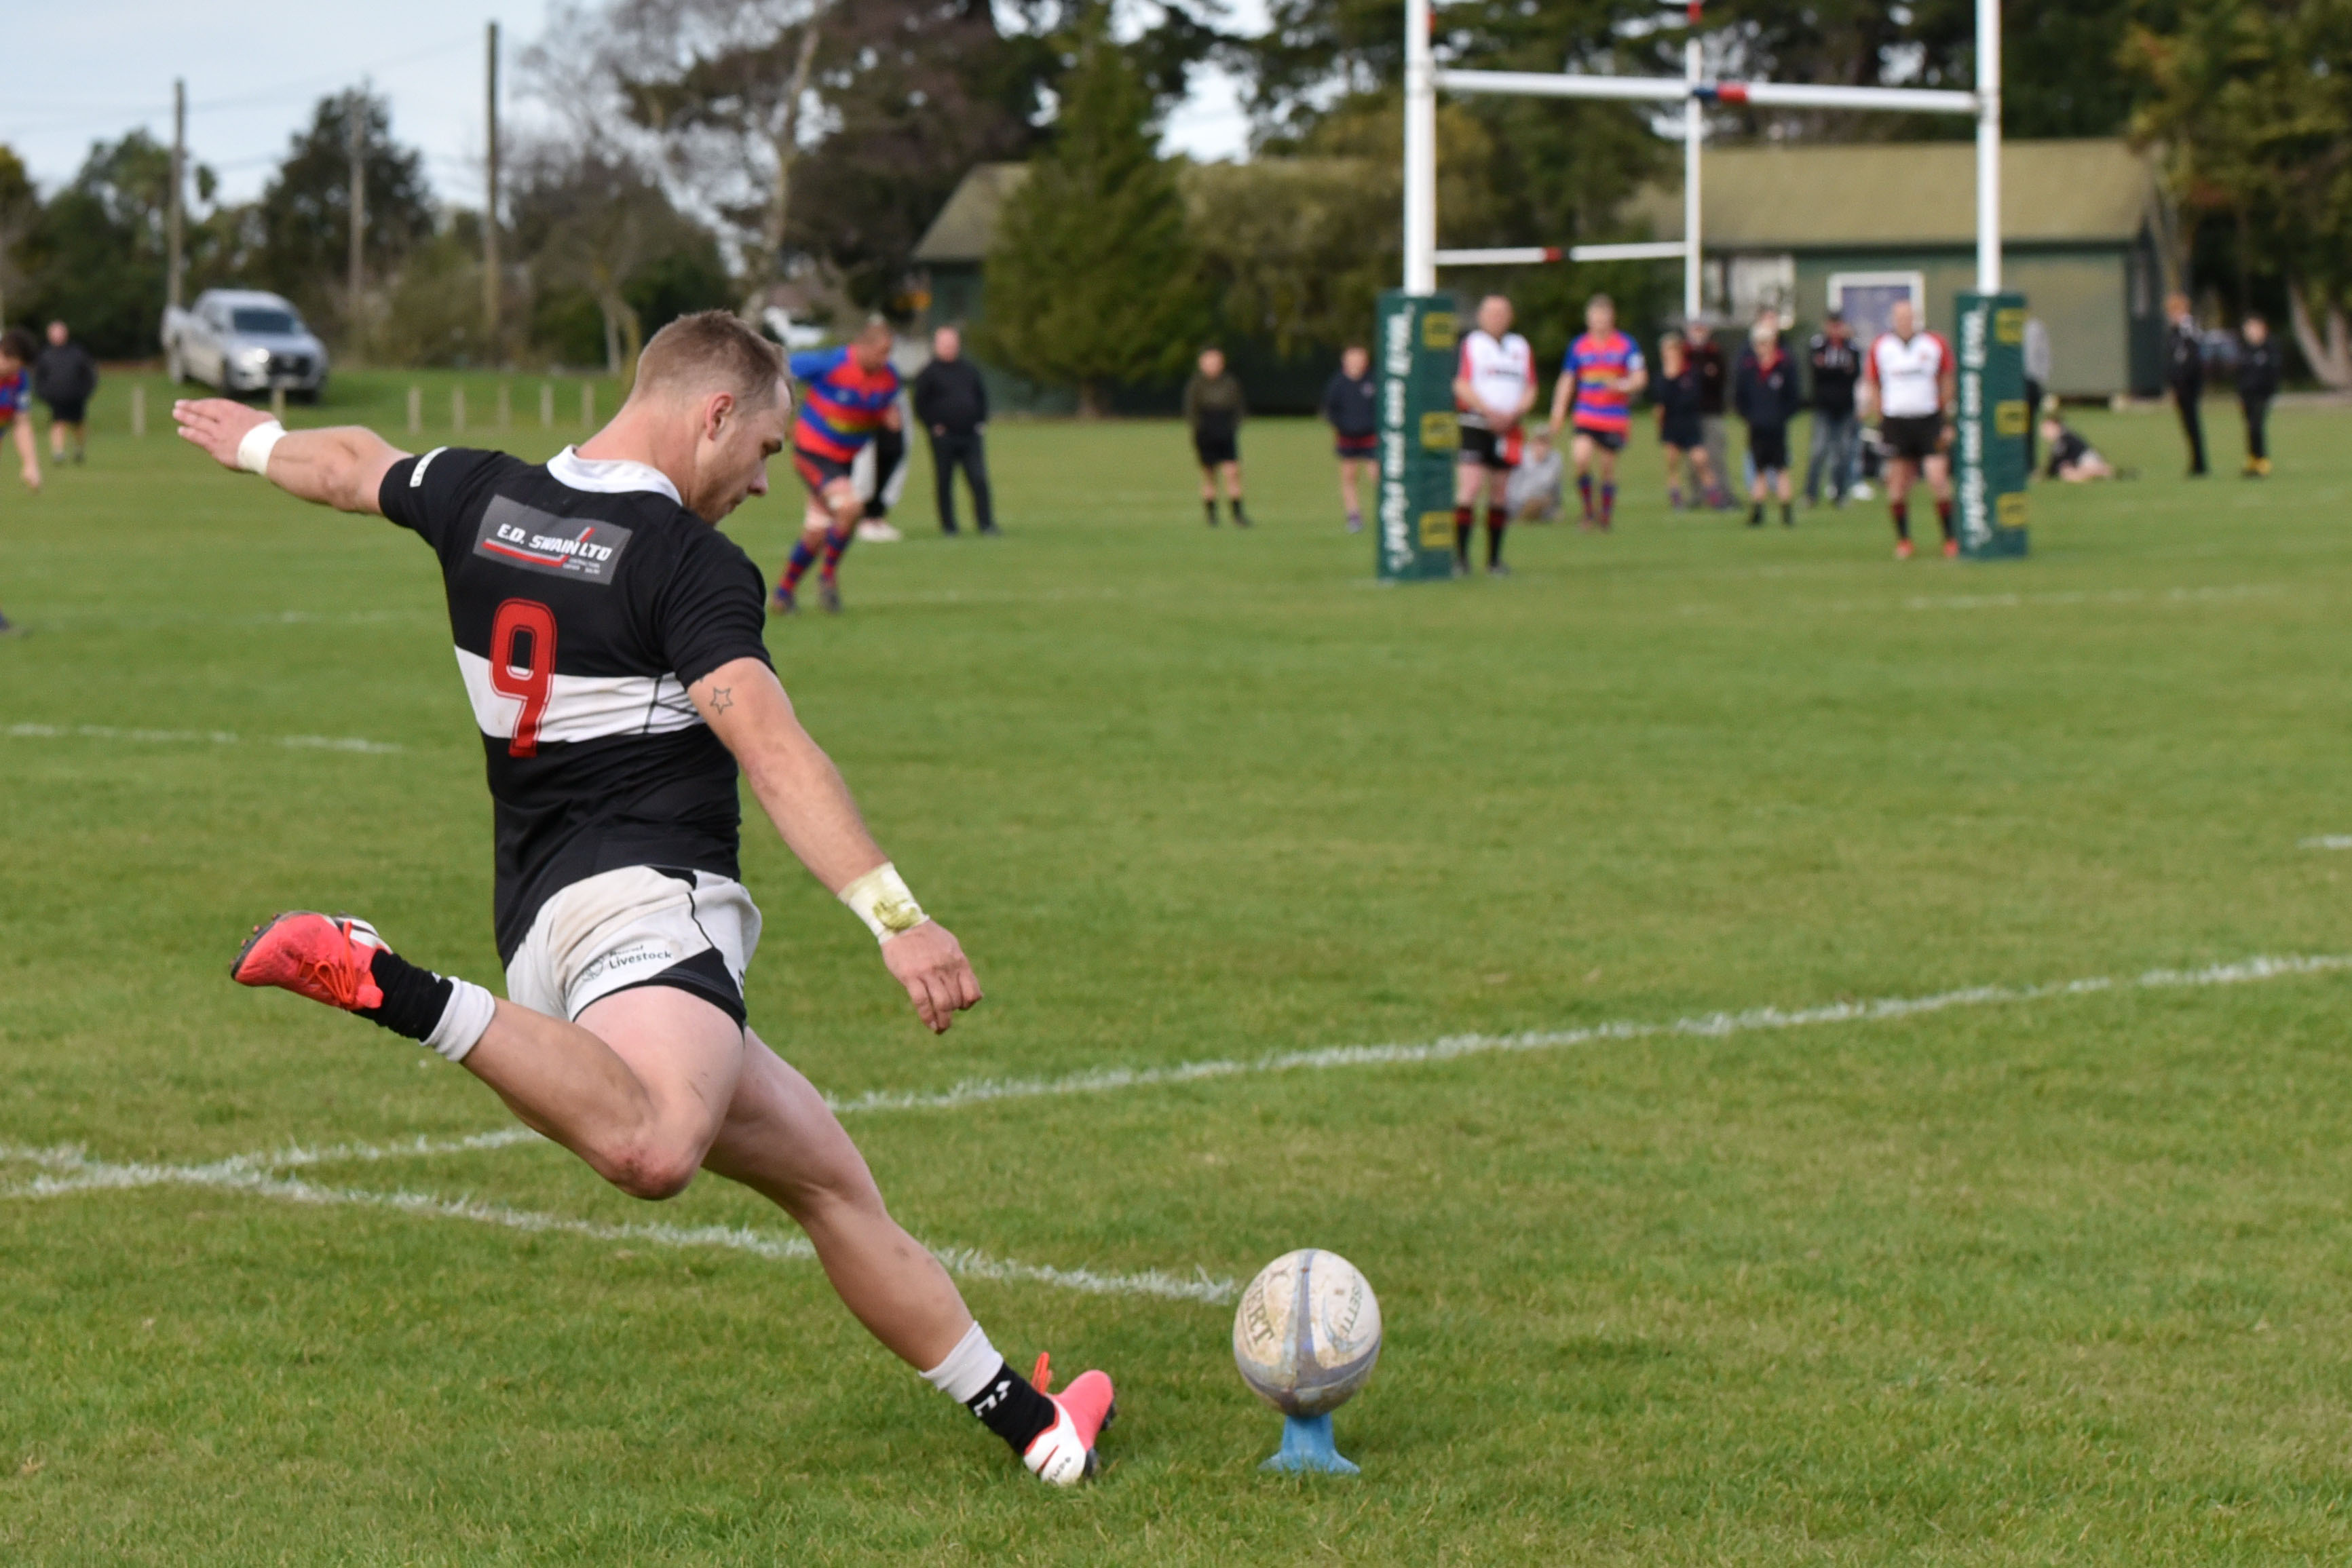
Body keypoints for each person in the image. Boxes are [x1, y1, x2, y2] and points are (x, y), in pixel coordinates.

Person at [171, 310, 1116, 1489]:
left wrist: (259, 445)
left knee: (830, 1183)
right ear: (712, 413)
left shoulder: (482, 492)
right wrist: (897, 916)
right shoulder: (687, 563)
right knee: (659, 1142)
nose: (766, 483)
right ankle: (388, 981)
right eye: (764, 452)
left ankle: (1038, 1427)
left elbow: (353, 462)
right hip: (643, 910)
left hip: (546, 930)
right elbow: (772, 748)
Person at [773, 318, 902, 614]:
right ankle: (828, 579)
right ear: (862, 347)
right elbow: (778, 371)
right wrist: (781, 417)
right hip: (813, 453)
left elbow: (883, 405)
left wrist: (888, 416)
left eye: (890, 352)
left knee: (817, 533)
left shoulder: (889, 377)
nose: (887, 359)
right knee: (850, 508)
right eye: (882, 352)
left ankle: (783, 594)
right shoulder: (832, 362)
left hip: (844, 462)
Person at [1859, 299, 1957, 560]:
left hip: (1928, 419)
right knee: (1899, 483)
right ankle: (1903, 540)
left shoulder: (1934, 344)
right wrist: (1881, 417)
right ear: (1893, 319)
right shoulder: (1882, 347)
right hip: (1896, 421)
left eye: (1908, 317)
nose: (1904, 322)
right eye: (1899, 317)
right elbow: (1873, 382)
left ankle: (1950, 538)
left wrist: (1946, 418)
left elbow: (1947, 378)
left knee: (1938, 477)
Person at [1547, 293, 1647, 533]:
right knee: (1580, 458)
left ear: (1612, 318)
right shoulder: (1579, 346)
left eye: (1605, 316)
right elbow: (1567, 380)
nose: (1600, 321)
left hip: (1613, 416)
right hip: (1586, 414)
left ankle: (1605, 516)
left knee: (1607, 468)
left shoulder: (1626, 344)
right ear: (1588, 319)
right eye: (1596, 316)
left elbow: (1640, 378)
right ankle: (1588, 512)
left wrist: (1622, 386)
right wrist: (1558, 411)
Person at [1451, 294, 1535, 575]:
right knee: (1471, 487)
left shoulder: (1520, 346)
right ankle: (1460, 558)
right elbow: (1461, 384)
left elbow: (1531, 387)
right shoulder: (1472, 344)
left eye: (1502, 313)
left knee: (1500, 493)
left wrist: (1514, 413)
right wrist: (1488, 411)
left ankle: (1494, 560)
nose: (1497, 318)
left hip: (1508, 428)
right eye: (1492, 312)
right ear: (1481, 316)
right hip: (1475, 423)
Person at [911, 326, 995, 535]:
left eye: (953, 344)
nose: (950, 348)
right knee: (944, 480)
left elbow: (981, 396)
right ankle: (949, 526)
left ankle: (986, 524)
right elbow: (920, 404)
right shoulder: (928, 373)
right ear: (937, 346)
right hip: (944, 437)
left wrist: (980, 422)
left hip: (971, 435)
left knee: (979, 478)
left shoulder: (969, 369)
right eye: (945, 344)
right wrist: (934, 426)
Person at [1734, 315, 1803, 528]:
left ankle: (1786, 512)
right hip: (1757, 425)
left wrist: (1780, 416)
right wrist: (1750, 416)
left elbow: (1794, 397)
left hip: (1776, 426)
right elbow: (1739, 397)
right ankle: (1758, 511)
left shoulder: (1784, 366)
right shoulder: (1748, 368)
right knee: (1759, 469)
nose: (1761, 347)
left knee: (1781, 468)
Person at [0, 328, 43, 634]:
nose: (17, 372)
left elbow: (21, 423)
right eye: (15, 365)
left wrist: (30, 464)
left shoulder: (18, 381)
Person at [1183, 347, 1249, 527]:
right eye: (1209, 362)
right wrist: (1200, 430)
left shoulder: (1229, 383)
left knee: (1233, 472)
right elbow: (1191, 410)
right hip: (1206, 431)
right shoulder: (1197, 385)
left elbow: (1239, 408)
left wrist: (1232, 427)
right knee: (1209, 474)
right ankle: (1211, 516)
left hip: (1226, 430)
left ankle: (1237, 514)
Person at [1652, 332, 1715, 508]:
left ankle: (1715, 497)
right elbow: (1660, 405)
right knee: (1673, 463)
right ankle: (1677, 499)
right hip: (1671, 424)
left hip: (1689, 423)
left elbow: (1694, 396)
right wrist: (1660, 425)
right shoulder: (1661, 378)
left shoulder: (1691, 373)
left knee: (1700, 460)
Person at [1804, 310, 1861, 507]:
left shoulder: (1851, 347)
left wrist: (1832, 371)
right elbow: (1818, 373)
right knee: (1818, 451)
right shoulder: (1818, 345)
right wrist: (1838, 372)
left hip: (1845, 407)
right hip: (1824, 407)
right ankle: (1810, 494)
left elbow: (1854, 374)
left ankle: (1840, 494)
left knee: (1844, 452)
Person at [1321, 344, 1378, 533]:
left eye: (1360, 359)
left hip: (1370, 435)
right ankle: (1354, 516)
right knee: (1349, 477)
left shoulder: (1373, 381)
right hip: (1347, 437)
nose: (1357, 363)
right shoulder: (1338, 383)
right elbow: (1329, 410)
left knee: (1377, 475)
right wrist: (1342, 426)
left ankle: (1386, 514)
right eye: (1353, 359)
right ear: (1345, 361)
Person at [33, 321, 96, 466]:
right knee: (58, 422)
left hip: (76, 396)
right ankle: (58, 453)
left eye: (60, 332)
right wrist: (43, 393)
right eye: (54, 333)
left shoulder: (77, 352)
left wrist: (86, 391)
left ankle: (79, 449)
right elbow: (39, 377)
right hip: (56, 397)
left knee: (78, 424)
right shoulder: (45, 355)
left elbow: (88, 373)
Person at [1688, 322, 1734, 510]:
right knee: (1694, 457)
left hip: (1712, 411)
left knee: (1715, 454)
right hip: (1690, 412)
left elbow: (1719, 379)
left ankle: (1723, 493)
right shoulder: (1686, 353)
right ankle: (1697, 494)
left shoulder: (1715, 353)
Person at [2165, 293, 2207, 478]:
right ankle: (2196, 462)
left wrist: (2183, 381)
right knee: (2188, 424)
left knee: (2192, 423)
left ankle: (2199, 463)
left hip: (2188, 385)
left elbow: (2191, 359)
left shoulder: (2188, 329)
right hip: (2180, 384)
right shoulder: (2176, 331)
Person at [2237, 314, 2280, 478]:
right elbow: (2240, 375)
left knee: (2257, 426)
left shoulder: (2270, 349)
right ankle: (2252, 459)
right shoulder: (2245, 350)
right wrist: (2240, 394)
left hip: (2262, 395)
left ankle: (2263, 460)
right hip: (2247, 395)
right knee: (2249, 427)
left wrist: (2270, 392)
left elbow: (2273, 374)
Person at [2039, 414, 2123, 482]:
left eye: (2047, 428)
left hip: (2087, 460)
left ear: (2056, 426)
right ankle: (2101, 471)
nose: (2044, 433)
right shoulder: (2065, 436)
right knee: (2066, 471)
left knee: (2068, 474)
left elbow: (2055, 461)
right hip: (2086, 460)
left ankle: (2101, 471)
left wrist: (2044, 474)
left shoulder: (2064, 439)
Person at [1506, 427, 1563, 522]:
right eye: (1539, 443)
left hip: (1543, 502)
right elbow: (1512, 485)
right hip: (1518, 501)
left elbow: (1556, 487)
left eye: (1545, 443)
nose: (1542, 447)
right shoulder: (1521, 457)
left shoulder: (1555, 460)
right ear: (1533, 443)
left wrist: (1556, 506)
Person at [2020, 315, 2051, 478]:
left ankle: (2029, 465)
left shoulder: (2035, 327)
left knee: (2028, 426)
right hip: (2009, 382)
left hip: (2029, 381)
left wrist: (2041, 379)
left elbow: (2043, 354)